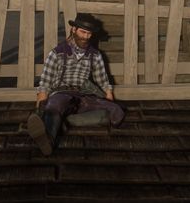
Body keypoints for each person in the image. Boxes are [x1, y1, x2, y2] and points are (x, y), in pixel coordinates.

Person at [26, 14, 125, 155]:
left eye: (89, 33)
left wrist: (109, 102)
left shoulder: (94, 55)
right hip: (61, 94)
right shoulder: (57, 53)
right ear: (73, 29)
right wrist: (40, 110)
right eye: (83, 32)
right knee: (54, 107)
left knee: (117, 111)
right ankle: (48, 140)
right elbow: (45, 85)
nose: (86, 37)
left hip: (83, 96)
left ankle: (66, 121)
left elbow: (103, 81)